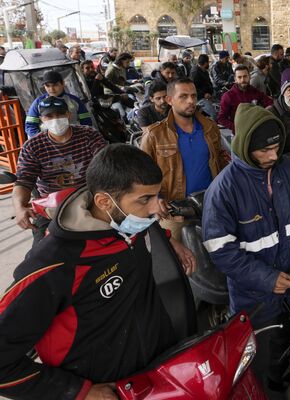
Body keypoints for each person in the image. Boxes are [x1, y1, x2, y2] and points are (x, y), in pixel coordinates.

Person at [0, 143, 197, 400]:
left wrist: (169, 241)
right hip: (107, 390)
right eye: (145, 199)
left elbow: (145, 226)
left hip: (156, 373)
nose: (155, 208)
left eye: (156, 196)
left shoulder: (129, 224)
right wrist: (78, 392)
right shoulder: (54, 264)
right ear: (104, 201)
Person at [202, 103, 290, 394]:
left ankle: (280, 377)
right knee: (256, 356)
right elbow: (221, 251)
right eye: (264, 151)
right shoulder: (223, 190)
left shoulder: (286, 168)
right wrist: (266, 278)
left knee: (288, 340)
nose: (273, 156)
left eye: (276, 148)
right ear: (246, 146)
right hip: (254, 297)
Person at [140, 78, 228, 240]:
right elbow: (141, 174)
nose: (191, 101)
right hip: (174, 211)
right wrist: (155, 199)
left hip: (212, 205)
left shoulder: (210, 128)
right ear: (169, 100)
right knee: (179, 261)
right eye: (183, 96)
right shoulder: (154, 135)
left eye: (194, 96)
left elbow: (222, 160)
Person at [13, 96, 107, 244]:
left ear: (68, 115)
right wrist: (19, 208)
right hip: (51, 206)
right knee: (40, 254)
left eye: (60, 114)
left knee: (114, 239)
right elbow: (23, 180)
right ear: (41, 119)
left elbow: (107, 163)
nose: (55, 119)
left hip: (89, 198)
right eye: (49, 116)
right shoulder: (32, 146)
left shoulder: (89, 135)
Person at [25, 70, 92, 138]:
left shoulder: (75, 101)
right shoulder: (38, 103)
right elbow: (30, 126)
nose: (51, 89)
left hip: (74, 139)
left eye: (55, 85)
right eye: (47, 86)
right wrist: (42, 140)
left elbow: (86, 122)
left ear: (63, 83)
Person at [217, 65, 273, 132]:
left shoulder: (255, 91)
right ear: (235, 79)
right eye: (239, 77)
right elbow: (221, 118)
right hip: (239, 133)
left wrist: (264, 112)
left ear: (249, 77)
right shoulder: (228, 96)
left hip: (256, 129)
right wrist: (236, 127)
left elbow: (270, 102)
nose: (243, 80)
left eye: (245, 76)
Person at [191, 54, 217, 120]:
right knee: (213, 115)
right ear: (205, 63)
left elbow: (209, 83)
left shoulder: (204, 71)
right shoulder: (195, 72)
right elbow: (192, 88)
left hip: (208, 97)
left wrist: (211, 93)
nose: (209, 64)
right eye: (208, 62)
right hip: (200, 99)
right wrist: (204, 94)